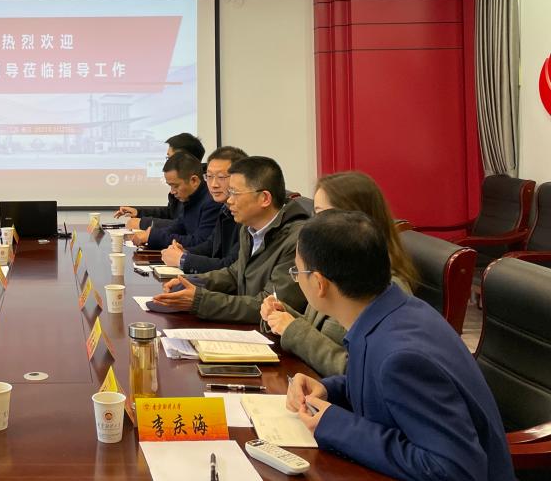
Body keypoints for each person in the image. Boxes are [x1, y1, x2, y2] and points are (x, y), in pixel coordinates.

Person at [286, 210, 513, 481]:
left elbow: (455, 470)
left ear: (319, 283)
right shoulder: (390, 310)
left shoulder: (401, 357)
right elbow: (384, 392)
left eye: (297, 271)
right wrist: (329, 389)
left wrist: (337, 425)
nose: (296, 278)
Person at [259, 170, 418, 377]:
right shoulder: (333, 263)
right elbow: (318, 329)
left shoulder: (383, 284)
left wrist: (293, 330)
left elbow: (357, 370)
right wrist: (283, 316)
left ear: (354, 219)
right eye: (315, 213)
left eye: (323, 214)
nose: (313, 223)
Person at [150, 156, 309, 321]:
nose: (230, 200)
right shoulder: (249, 228)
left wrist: (200, 300)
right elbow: (235, 274)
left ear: (265, 198)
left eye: (235, 193)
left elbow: (271, 307)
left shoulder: (297, 241)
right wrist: (191, 281)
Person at [160, 145, 247, 273]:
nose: (214, 185)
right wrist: (185, 252)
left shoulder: (248, 215)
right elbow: (211, 245)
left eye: (221, 177)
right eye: (209, 176)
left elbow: (230, 266)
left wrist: (183, 259)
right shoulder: (225, 209)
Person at [113, 132, 205, 230]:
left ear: (185, 159)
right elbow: (171, 213)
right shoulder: (184, 187)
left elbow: (183, 226)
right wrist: (139, 212)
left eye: (169, 158)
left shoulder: (203, 190)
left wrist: (143, 223)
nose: (168, 162)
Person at [129, 152, 218, 249]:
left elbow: (199, 242)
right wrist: (150, 234)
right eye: (170, 186)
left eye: (175, 186)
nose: (172, 191)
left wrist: (153, 237)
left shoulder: (212, 202)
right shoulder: (191, 199)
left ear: (194, 181)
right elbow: (178, 227)